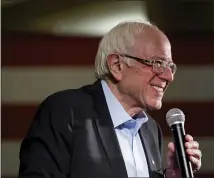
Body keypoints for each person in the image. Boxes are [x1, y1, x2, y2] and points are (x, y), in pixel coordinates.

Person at [19, 20, 202, 178]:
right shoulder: (66, 113)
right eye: (157, 64)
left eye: (170, 66)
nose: (169, 76)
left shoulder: (150, 129)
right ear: (117, 65)